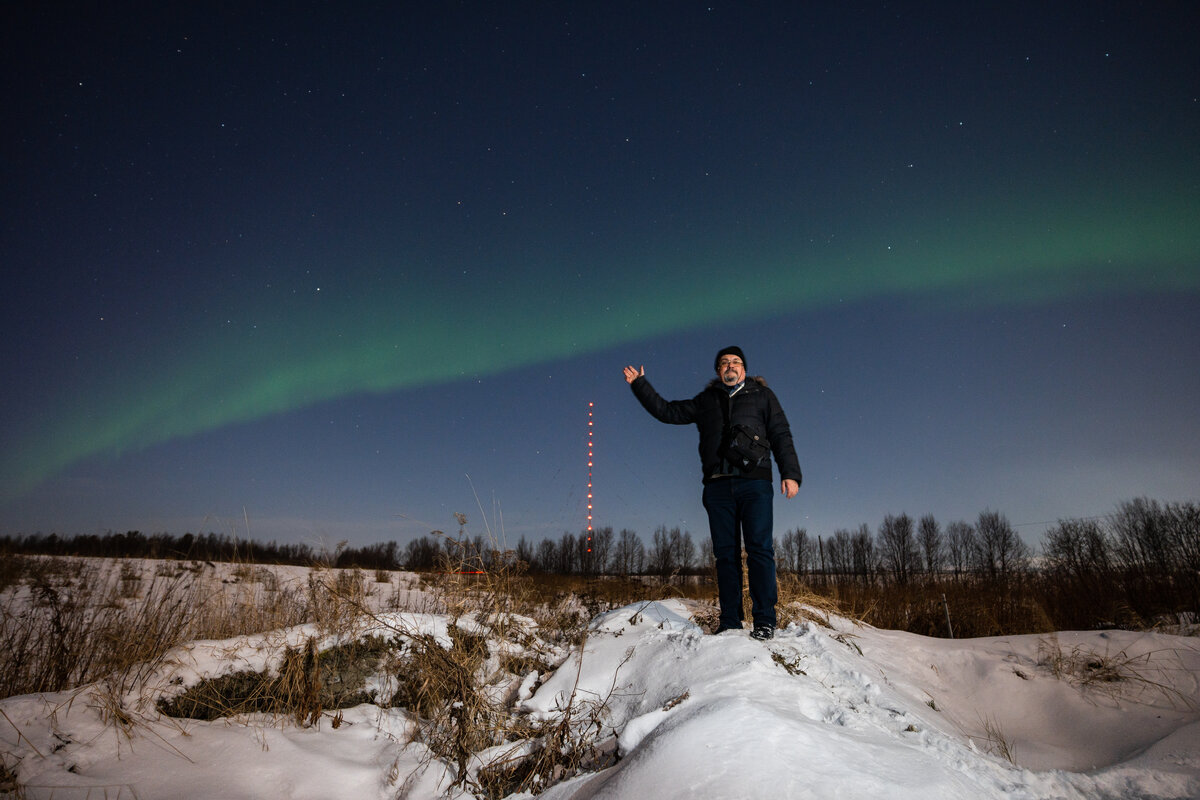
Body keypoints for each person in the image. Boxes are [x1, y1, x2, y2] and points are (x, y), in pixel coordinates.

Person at [623, 346, 802, 640]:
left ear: (744, 368)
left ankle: (765, 620)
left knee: (759, 550)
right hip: (717, 487)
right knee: (725, 556)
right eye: (724, 363)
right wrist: (640, 385)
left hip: (754, 483)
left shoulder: (762, 396)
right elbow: (668, 412)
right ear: (718, 371)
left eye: (736, 362)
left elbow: (781, 433)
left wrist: (790, 474)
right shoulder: (706, 400)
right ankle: (730, 620)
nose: (730, 366)